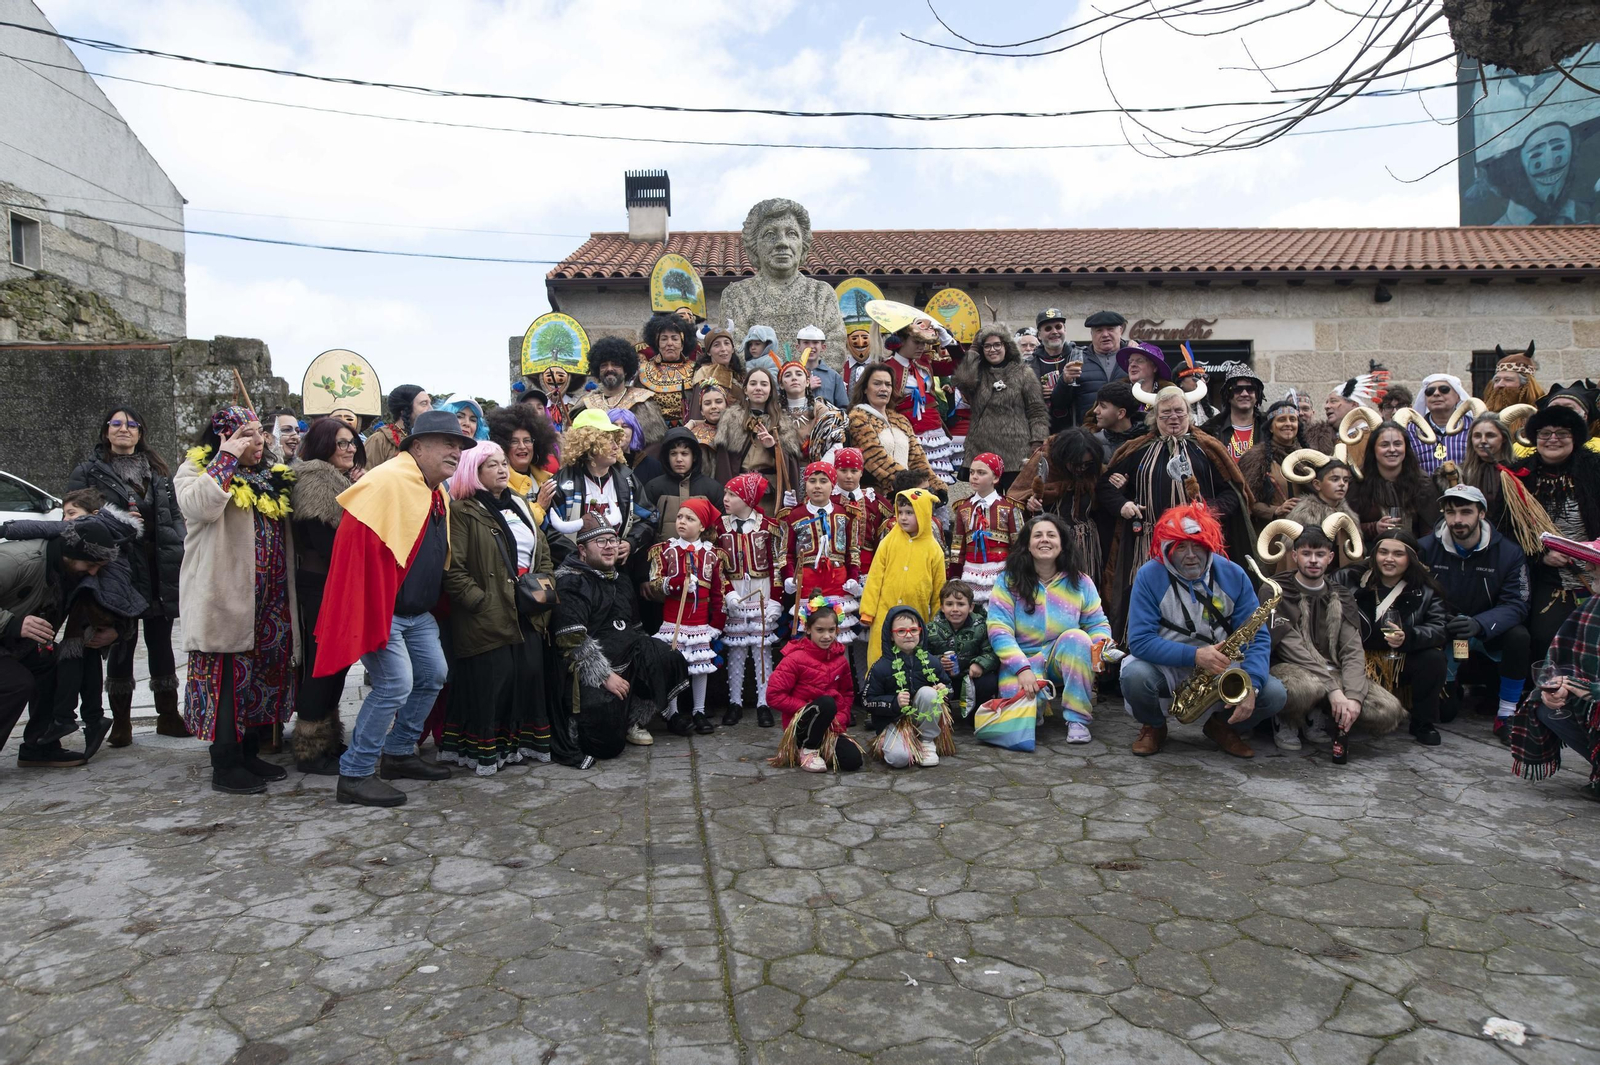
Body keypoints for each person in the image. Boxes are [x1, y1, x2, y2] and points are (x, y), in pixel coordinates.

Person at [315, 409, 474, 807]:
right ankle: (354, 773)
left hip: (416, 612)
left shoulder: (435, 489)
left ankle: (399, 752)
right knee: (393, 685)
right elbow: (356, 555)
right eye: (447, 444)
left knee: (433, 675)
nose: (456, 452)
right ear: (417, 447)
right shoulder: (387, 481)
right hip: (383, 609)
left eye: (460, 446)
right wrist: (368, 608)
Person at [174, 407, 300, 794]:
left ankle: (248, 751)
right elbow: (198, 507)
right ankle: (224, 763)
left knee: (260, 678)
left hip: (268, 601)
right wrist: (225, 458)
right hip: (226, 599)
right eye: (246, 435)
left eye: (260, 433)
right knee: (227, 681)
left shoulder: (268, 479)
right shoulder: (196, 471)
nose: (259, 441)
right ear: (224, 438)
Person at [1119, 503, 1287, 759]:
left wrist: (1251, 684)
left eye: (1197, 545)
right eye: (1181, 547)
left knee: (1274, 694)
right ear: (1166, 549)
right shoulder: (1149, 575)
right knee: (1134, 675)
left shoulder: (1233, 574)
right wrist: (1195, 656)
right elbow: (1140, 642)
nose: (1190, 555)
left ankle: (1223, 727)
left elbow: (1258, 637)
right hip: (1167, 664)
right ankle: (1154, 725)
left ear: (1209, 543)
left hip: (1221, 665)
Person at [66, 404, 187, 744]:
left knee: (161, 642)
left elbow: (174, 516)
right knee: (122, 641)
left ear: (140, 432)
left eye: (132, 424)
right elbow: (77, 517)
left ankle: (168, 714)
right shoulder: (90, 471)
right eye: (116, 423)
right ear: (105, 431)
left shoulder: (159, 471)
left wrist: (180, 545)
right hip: (121, 567)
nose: (124, 429)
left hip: (158, 566)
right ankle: (122, 721)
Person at [1101, 385, 1252, 643]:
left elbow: (1233, 494)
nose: (1173, 417)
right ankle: (1140, 650)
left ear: (1189, 414)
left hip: (1197, 545)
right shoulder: (1136, 450)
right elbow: (1106, 486)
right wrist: (1123, 504)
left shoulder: (1207, 449)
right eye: (1166, 413)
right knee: (1147, 594)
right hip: (1146, 544)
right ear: (1154, 417)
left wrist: (1209, 510)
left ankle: (1208, 647)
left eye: (1179, 412)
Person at [441, 440, 554, 774]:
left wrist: (545, 585)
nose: (503, 469)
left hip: (527, 606)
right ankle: (486, 752)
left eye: (504, 463)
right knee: (495, 681)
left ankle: (519, 746)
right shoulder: (462, 510)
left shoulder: (520, 503)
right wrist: (480, 600)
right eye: (493, 465)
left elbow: (542, 549)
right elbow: (453, 568)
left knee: (526, 675)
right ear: (473, 472)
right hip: (487, 610)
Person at [551, 515, 691, 761]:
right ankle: (595, 722)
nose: (609, 547)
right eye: (601, 541)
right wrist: (605, 676)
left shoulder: (621, 579)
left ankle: (633, 720)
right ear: (582, 550)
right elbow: (571, 640)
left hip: (625, 660)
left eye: (613, 541)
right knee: (606, 745)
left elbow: (635, 630)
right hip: (586, 674)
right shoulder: (571, 581)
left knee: (667, 656)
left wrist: (651, 658)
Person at [1267, 527, 1402, 763]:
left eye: (1320, 554)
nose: (1313, 560)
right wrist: (1334, 690)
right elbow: (1292, 648)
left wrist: (1353, 697)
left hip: (1332, 671)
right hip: (1289, 669)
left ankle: (1320, 712)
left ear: (1330, 558)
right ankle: (1287, 720)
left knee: (1387, 709)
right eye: (1306, 553)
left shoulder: (1342, 594)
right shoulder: (1274, 589)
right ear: (1294, 555)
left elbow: (1352, 650)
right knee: (1305, 687)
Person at [0, 520, 121, 766]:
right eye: (90, 565)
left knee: (56, 662)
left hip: (13, 641)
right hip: (7, 633)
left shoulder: (70, 568)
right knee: (16, 683)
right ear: (70, 554)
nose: (94, 572)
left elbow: (120, 601)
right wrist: (12, 624)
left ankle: (39, 745)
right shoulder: (17, 561)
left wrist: (117, 630)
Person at [1419, 484, 1531, 745]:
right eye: (1450, 512)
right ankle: (1451, 687)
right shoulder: (1425, 548)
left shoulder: (1509, 552)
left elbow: (1518, 603)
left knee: (1519, 636)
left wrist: (1480, 623)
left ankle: (1506, 714)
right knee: (1443, 715)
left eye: (1466, 511)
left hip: (1489, 630)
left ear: (1482, 513)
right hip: (1447, 632)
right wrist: (1442, 620)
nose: (1457, 520)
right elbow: (1416, 595)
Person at [985, 513, 1111, 744]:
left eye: (1051, 535)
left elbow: (1096, 623)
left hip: (1061, 654)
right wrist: (1023, 670)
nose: (1045, 540)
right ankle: (1038, 706)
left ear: (1062, 544)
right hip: (1023, 660)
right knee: (1022, 722)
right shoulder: (1008, 581)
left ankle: (1078, 719)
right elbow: (998, 629)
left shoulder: (1081, 582)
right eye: (1038, 535)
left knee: (1078, 638)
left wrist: (1100, 647)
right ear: (1027, 545)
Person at [287, 417, 364, 774]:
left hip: (337, 584)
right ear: (322, 446)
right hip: (320, 587)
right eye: (342, 443)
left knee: (337, 665)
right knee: (322, 665)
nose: (349, 449)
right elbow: (328, 543)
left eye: (351, 442)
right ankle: (310, 749)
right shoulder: (315, 479)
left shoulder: (339, 480)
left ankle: (327, 739)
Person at [1333, 529, 1450, 747]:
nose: (1389, 559)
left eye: (1398, 554)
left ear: (1411, 558)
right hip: (1356, 658)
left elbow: (1439, 627)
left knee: (1433, 660)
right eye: (1383, 552)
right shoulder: (1348, 578)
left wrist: (1409, 637)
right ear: (1374, 554)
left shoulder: (1425, 589)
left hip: (1399, 660)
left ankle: (1423, 723)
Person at [719, 198, 850, 372]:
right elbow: (734, 348)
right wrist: (771, 382)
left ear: (803, 243)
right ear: (754, 245)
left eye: (791, 234)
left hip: (814, 391)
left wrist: (799, 383)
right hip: (758, 392)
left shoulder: (821, 293)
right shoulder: (736, 295)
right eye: (770, 235)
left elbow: (835, 347)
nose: (782, 243)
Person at [1514, 404, 1599, 653]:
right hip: (1548, 575)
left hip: (1595, 569)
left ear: (1575, 437)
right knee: (1545, 638)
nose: (1553, 439)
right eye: (1545, 433)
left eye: (1561, 433)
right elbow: (1508, 530)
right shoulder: (1519, 476)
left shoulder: (1595, 470)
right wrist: (1540, 555)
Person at [643, 496, 724, 735]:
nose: (682, 521)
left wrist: (717, 623)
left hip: (699, 622)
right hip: (673, 621)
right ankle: (673, 711)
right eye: (680, 516)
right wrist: (677, 584)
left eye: (690, 518)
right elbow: (655, 584)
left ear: (702, 526)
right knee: (674, 666)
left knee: (700, 668)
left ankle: (699, 709)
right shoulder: (665, 550)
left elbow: (719, 592)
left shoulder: (713, 555)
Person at [1509, 595, 1600, 800]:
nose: (1588, 568)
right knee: (1547, 708)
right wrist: (1559, 687)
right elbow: (1564, 660)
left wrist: (1592, 690)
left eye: (1595, 564)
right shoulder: (1594, 605)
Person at [717, 473, 784, 727]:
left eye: (732, 495)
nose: (726, 499)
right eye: (726, 494)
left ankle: (763, 702)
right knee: (736, 648)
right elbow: (717, 565)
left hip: (761, 589)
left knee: (761, 648)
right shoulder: (720, 526)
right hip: (735, 591)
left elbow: (778, 565)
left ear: (747, 498)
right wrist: (727, 591)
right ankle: (734, 701)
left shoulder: (768, 526)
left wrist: (776, 600)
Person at [547, 409, 653, 567]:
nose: (616, 446)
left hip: (618, 572)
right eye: (608, 440)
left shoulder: (627, 479)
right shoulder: (563, 483)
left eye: (615, 440)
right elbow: (548, 529)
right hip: (575, 573)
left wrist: (631, 542)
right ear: (589, 444)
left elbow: (649, 518)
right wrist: (578, 557)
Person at [765, 605, 864, 772]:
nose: (827, 636)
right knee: (826, 703)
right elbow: (774, 695)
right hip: (802, 726)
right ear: (808, 629)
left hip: (829, 725)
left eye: (831, 630)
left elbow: (846, 693)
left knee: (853, 761)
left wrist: (841, 718)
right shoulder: (794, 659)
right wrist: (810, 710)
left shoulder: (840, 660)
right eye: (820, 630)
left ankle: (822, 747)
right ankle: (807, 748)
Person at [859, 488, 946, 667]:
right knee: (879, 655)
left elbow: (939, 588)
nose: (903, 518)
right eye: (901, 513)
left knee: (912, 658)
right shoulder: (888, 542)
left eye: (910, 513)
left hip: (916, 614)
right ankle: (875, 691)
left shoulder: (933, 549)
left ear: (923, 514)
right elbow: (875, 578)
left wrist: (938, 620)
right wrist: (868, 611)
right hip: (885, 611)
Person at [1012, 428, 1109, 588]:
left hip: (1086, 541)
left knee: (1083, 588)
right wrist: (1030, 503)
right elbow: (1016, 496)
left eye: (1087, 464)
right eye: (1077, 464)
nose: (1081, 469)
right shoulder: (1042, 462)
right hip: (1050, 539)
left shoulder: (1094, 470)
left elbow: (1104, 496)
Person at [861, 606, 955, 768]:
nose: (908, 635)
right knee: (899, 759)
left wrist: (944, 690)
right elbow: (867, 701)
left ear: (921, 632)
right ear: (891, 635)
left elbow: (950, 689)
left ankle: (926, 741)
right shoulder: (881, 667)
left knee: (928, 693)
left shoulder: (931, 661)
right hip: (895, 721)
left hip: (922, 718)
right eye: (901, 631)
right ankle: (897, 742)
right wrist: (893, 702)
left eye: (913, 629)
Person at [780, 461, 864, 643]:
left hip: (838, 582)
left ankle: (840, 670)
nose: (817, 486)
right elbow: (785, 553)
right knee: (809, 632)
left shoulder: (846, 514)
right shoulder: (793, 516)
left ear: (832, 485)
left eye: (823, 481)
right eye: (812, 481)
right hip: (807, 582)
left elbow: (853, 551)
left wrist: (853, 577)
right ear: (806, 485)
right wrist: (788, 577)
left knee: (838, 634)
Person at [954, 328, 1049, 487]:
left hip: (1017, 450)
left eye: (997, 345)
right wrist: (973, 351)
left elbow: (1037, 410)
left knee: (1017, 504)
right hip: (982, 448)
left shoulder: (1024, 373)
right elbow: (962, 383)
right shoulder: (977, 373)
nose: (992, 350)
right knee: (987, 503)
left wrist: (1037, 442)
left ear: (1007, 346)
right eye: (987, 346)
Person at [883, 316, 957, 482]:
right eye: (917, 341)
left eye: (924, 342)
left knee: (937, 481)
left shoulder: (926, 362)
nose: (922, 347)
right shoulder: (886, 367)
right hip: (905, 433)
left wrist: (945, 337)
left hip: (934, 429)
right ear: (901, 340)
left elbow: (959, 364)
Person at [946, 453, 1024, 605]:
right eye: (972, 472)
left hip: (1001, 572)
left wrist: (1018, 574)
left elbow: (1019, 546)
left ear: (995, 478)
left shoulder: (1009, 508)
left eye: (981, 473)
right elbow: (957, 546)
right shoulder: (963, 508)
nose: (974, 476)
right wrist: (955, 576)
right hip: (971, 571)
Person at [715, 367, 795, 511]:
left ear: (771, 390)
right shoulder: (730, 419)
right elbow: (724, 463)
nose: (758, 388)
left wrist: (773, 447)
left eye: (764, 384)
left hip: (769, 495)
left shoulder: (782, 422)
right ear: (745, 390)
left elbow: (789, 465)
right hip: (739, 493)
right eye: (753, 384)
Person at [845, 363, 933, 492]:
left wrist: (934, 484)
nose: (883, 389)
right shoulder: (858, 418)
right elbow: (876, 460)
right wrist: (910, 483)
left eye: (888, 384)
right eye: (877, 383)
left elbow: (918, 459)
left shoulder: (900, 420)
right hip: (877, 496)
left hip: (908, 494)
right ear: (865, 388)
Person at [1348, 422, 1441, 541]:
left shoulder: (1421, 483)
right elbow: (1347, 527)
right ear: (1373, 449)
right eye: (1384, 445)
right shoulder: (1358, 483)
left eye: (1397, 444)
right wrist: (1373, 528)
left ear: (1406, 448)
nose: (1392, 450)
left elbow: (1431, 529)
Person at [574, 337, 668, 451]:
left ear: (626, 369)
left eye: (616, 364)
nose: (609, 369)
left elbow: (654, 447)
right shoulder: (585, 405)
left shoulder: (643, 404)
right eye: (604, 365)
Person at [926, 580, 1000, 721]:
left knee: (989, 681)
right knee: (926, 681)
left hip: (970, 678)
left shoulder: (982, 626)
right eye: (949, 604)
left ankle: (977, 713)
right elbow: (922, 656)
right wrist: (938, 661)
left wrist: (980, 664)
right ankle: (940, 715)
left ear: (971, 607)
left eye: (961, 604)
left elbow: (992, 651)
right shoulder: (931, 629)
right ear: (942, 607)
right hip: (944, 680)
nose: (955, 609)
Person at [1050, 310, 1127, 430]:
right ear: (1091, 334)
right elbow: (1059, 404)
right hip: (1091, 436)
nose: (1105, 334)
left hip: (1129, 434)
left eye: (1110, 329)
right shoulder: (1078, 359)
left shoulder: (1133, 357)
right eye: (1099, 330)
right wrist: (1065, 382)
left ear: (1120, 330)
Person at [486, 401, 562, 523]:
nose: (522, 446)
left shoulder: (549, 479)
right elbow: (516, 523)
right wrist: (540, 506)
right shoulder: (499, 483)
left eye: (527, 440)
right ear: (503, 445)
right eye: (514, 441)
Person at [1238, 393, 1304, 528]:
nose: (1288, 424)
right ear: (1270, 427)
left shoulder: (1307, 456)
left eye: (1293, 419)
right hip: (1271, 534)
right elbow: (1247, 499)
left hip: (1305, 532)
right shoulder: (1255, 458)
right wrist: (1275, 510)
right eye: (1281, 420)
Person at [643, 426, 724, 533]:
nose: (679, 459)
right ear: (666, 457)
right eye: (673, 454)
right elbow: (645, 524)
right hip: (663, 548)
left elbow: (721, 527)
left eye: (684, 453)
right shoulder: (653, 487)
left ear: (694, 456)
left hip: (703, 549)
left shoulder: (712, 488)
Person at [774, 349, 846, 467]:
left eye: (798, 374)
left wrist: (819, 469)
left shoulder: (820, 410)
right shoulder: (775, 411)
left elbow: (836, 443)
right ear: (781, 384)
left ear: (807, 382)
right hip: (784, 472)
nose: (794, 378)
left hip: (816, 474)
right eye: (788, 375)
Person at [1284, 458, 1361, 567]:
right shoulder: (1304, 513)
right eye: (1335, 479)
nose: (1342, 484)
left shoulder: (1349, 515)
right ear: (1317, 484)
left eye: (1346, 480)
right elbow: (1291, 556)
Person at [636, 314, 698, 429]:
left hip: (690, 432)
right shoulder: (644, 371)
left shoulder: (697, 370)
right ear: (657, 344)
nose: (669, 343)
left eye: (675, 338)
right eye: (664, 339)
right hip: (655, 434)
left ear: (682, 344)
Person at [1409, 373, 1473, 479]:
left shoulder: (1473, 428)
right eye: (1430, 391)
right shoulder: (1411, 430)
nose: (1436, 394)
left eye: (1444, 389)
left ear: (1457, 397)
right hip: (1423, 493)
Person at [1314, 365, 1389, 453]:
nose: (1326, 406)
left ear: (1354, 404)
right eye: (1327, 402)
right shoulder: (1320, 438)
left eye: (1333, 401)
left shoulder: (1373, 436)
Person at [1201, 364, 1268, 461]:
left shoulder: (1269, 426)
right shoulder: (1210, 430)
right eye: (1237, 389)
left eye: (1250, 389)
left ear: (1257, 394)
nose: (1244, 394)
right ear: (1227, 395)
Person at [364, 384, 432, 469]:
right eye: (424, 403)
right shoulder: (379, 440)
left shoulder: (425, 440)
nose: (431, 409)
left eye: (430, 403)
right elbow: (365, 477)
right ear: (404, 410)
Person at [1025, 307, 1075, 411]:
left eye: (1058, 327)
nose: (1054, 332)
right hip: (1044, 423)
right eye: (1048, 328)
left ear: (1064, 330)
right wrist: (1034, 392)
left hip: (1075, 422)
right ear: (1039, 335)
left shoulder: (1078, 356)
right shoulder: (1028, 365)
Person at [1086, 380, 1147, 463]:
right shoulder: (1091, 443)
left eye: (1103, 406)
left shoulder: (1148, 442)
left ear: (1121, 413)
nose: (1095, 410)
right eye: (1097, 405)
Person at [796, 325, 849, 409]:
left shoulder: (833, 376)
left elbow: (844, 407)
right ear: (798, 347)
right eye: (806, 342)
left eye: (815, 342)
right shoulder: (791, 375)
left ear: (823, 347)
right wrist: (805, 388)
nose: (811, 346)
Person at [691, 326, 745, 408]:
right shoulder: (703, 374)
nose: (723, 349)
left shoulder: (740, 375)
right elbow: (697, 413)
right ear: (709, 352)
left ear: (733, 349)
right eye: (716, 345)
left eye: (726, 343)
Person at [1483, 345, 1545, 412]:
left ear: (1525, 385)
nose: (1500, 384)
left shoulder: (1542, 414)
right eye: (1497, 380)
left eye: (1508, 380)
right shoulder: (1482, 416)